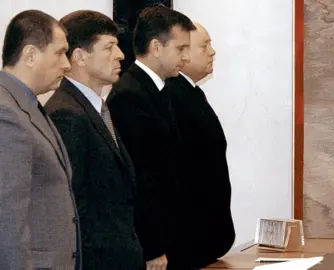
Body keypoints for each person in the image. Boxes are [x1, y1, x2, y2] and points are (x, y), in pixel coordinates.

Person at [44, 10, 144, 270]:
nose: (121, 55)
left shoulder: (95, 108)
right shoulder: (67, 113)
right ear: (80, 57)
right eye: (109, 47)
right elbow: (75, 207)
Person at [106, 6, 195, 270]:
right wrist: (153, 246)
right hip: (152, 244)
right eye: (180, 49)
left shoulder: (160, 89)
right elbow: (140, 178)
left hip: (172, 235)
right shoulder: (129, 95)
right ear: (156, 47)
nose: (186, 57)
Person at [0, 10, 80, 269]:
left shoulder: (26, 104)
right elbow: (7, 219)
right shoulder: (6, 113)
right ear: (31, 55)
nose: (67, 65)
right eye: (60, 53)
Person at [166, 22, 235, 268]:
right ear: (183, 53)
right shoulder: (173, 95)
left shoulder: (190, 92)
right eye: (204, 45)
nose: (212, 51)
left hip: (204, 235)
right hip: (189, 237)